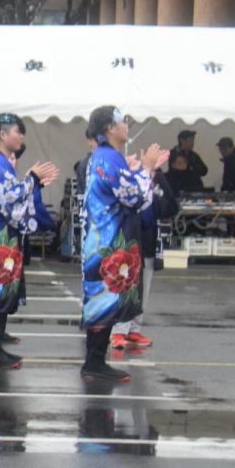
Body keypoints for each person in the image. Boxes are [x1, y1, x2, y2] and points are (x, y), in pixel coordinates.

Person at [81, 106, 166, 382]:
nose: (127, 125)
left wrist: (134, 171)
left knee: (105, 301)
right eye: (122, 121)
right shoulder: (107, 157)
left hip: (106, 240)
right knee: (103, 301)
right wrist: (147, 169)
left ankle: (96, 362)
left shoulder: (107, 156)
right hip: (106, 242)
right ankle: (93, 363)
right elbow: (136, 197)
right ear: (109, 129)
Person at [0, 113, 59, 369]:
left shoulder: (1, 163)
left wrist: (33, 183)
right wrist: (31, 179)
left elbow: (13, 197)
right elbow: (10, 200)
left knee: (1, 294)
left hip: (3, 243)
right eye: (16, 131)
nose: (21, 136)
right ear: (2, 134)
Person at [111, 162, 178, 350]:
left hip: (147, 246)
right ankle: (118, 330)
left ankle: (133, 327)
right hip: (128, 245)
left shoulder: (153, 193)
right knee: (126, 288)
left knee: (143, 291)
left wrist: (160, 181)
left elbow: (172, 207)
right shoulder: (129, 191)